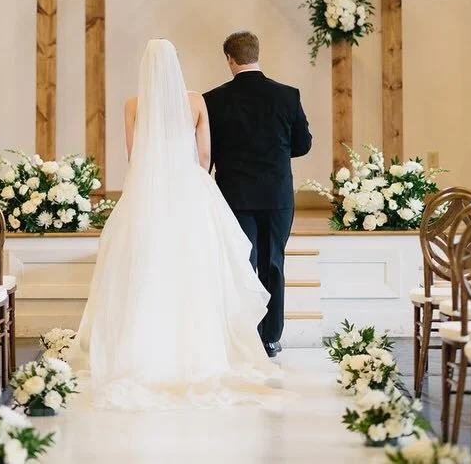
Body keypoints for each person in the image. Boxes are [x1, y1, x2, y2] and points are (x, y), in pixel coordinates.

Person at [73, 39, 279, 410]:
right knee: (196, 266)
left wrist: (154, 178)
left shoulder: (133, 105)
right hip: (190, 189)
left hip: (148, 190)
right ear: (176, 65)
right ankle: (202, 347)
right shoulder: (196, 102)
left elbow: (134, 155)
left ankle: (142, 347)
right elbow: (205, 154)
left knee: (147, 266)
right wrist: (192, 181)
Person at [203, 31, 312, 357]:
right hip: (277, 195)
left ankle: (242, 336)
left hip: (234, 195)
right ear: (256, 54)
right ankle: (270, 338)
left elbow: (208, 151)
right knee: (273, 263)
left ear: (229, 59)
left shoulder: (213, 100)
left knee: (241, 265)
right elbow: (303, 145)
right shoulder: (287, 95)